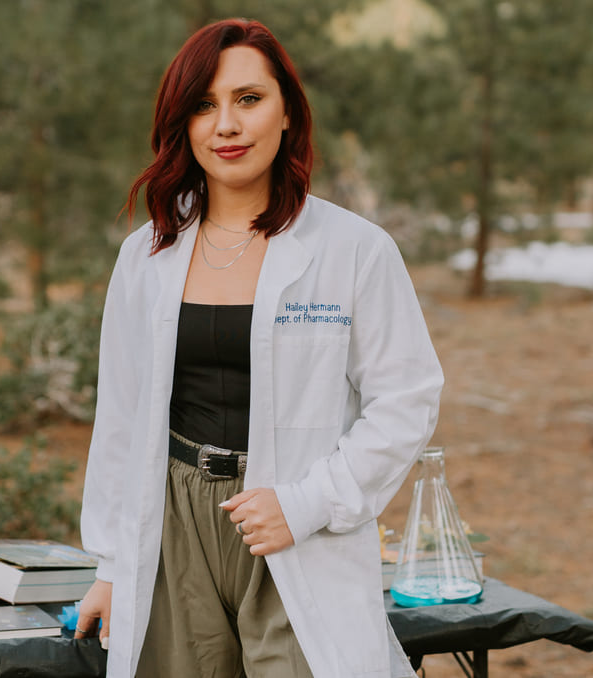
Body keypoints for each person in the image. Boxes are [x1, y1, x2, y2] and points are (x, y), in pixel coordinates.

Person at [74, 18, 444, 678]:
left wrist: (304, 505)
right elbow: (123, 419)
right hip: (175, 525)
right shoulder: (146, 256)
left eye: (248, 99)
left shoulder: (355, 250)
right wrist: (111, 566)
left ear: (287, 113)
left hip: (291, 520)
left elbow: (405, 401)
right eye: (204, 106)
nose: (226, 126)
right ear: (183, 125)